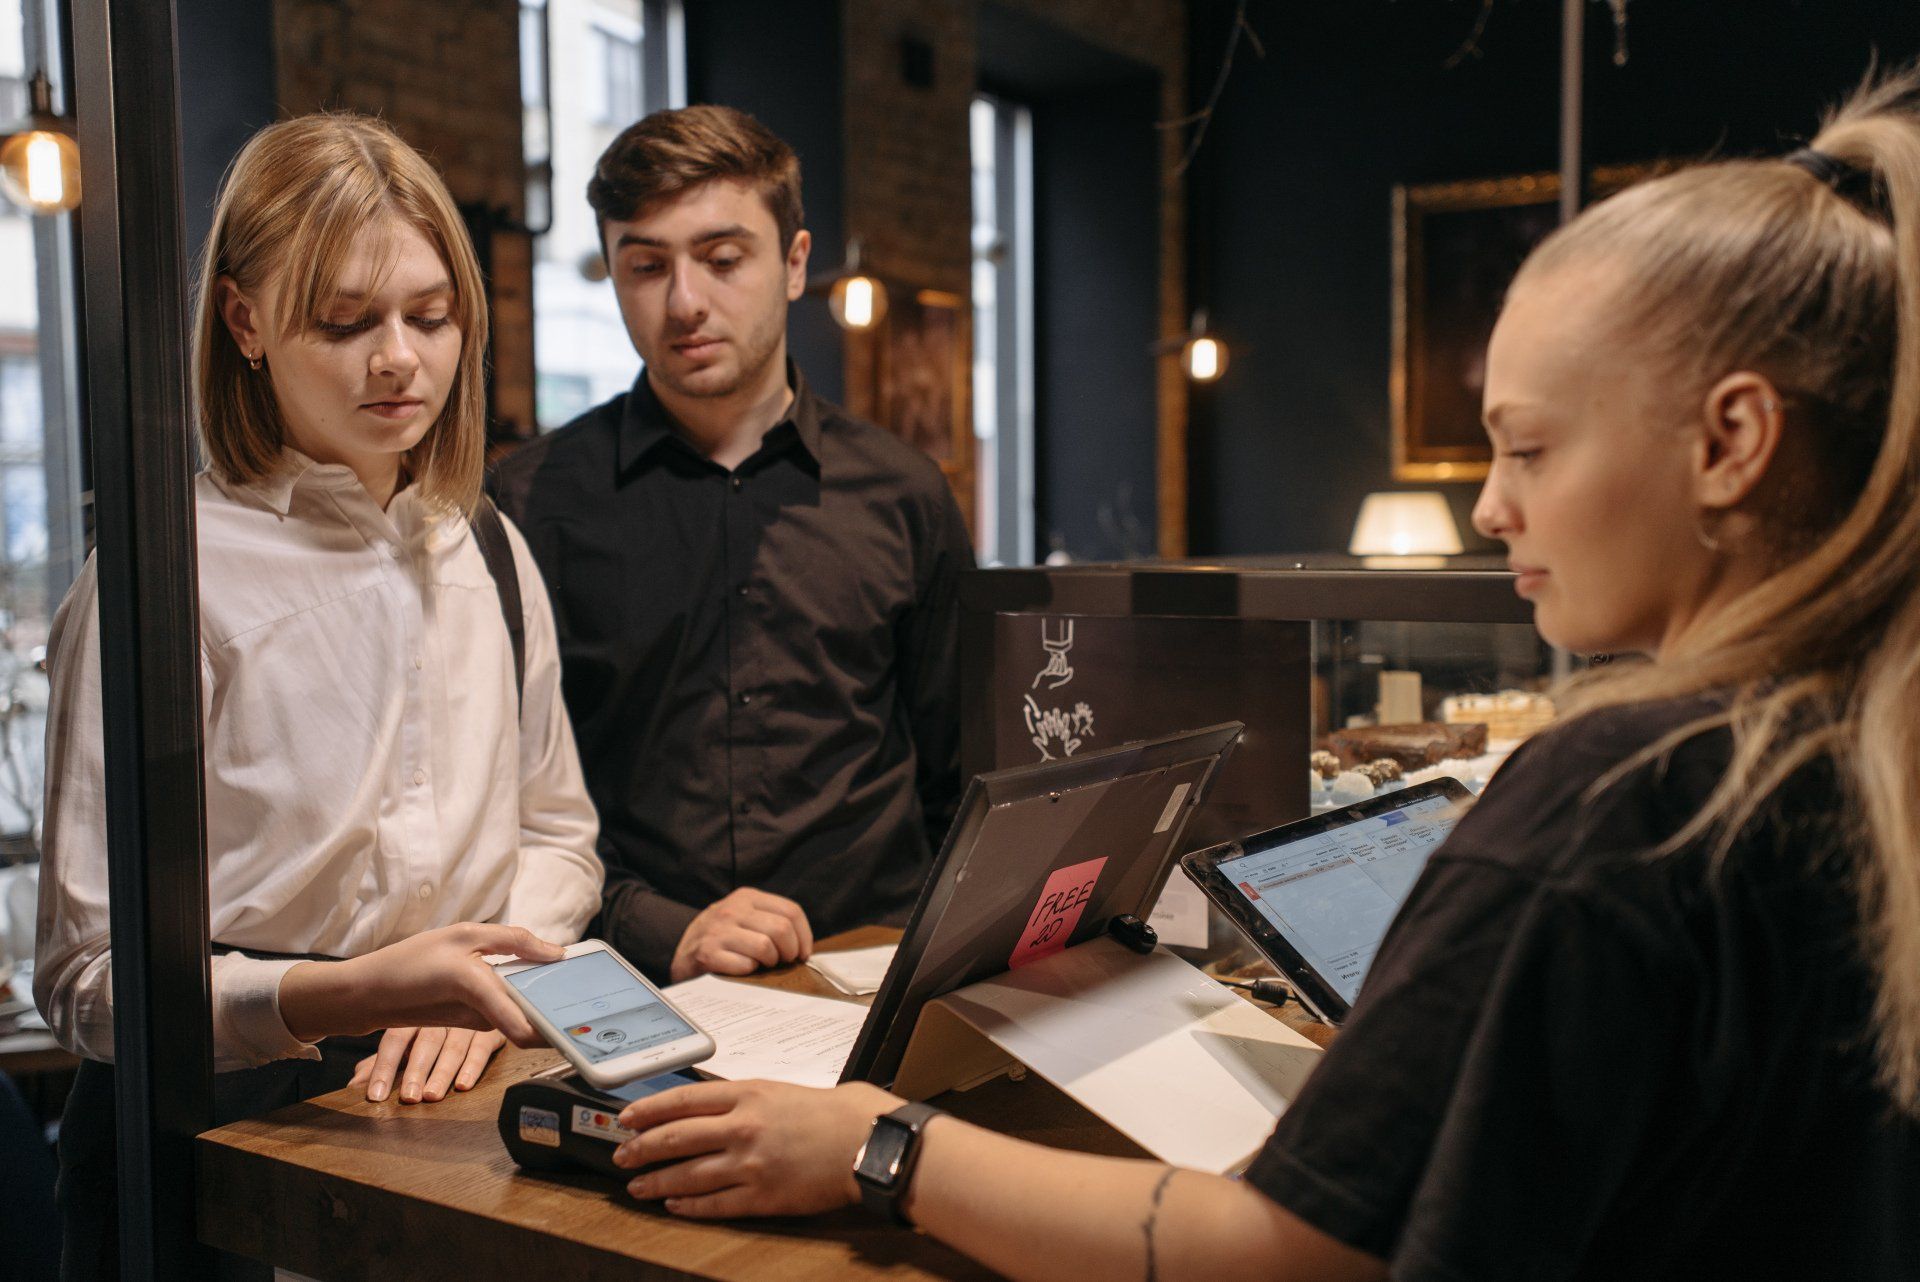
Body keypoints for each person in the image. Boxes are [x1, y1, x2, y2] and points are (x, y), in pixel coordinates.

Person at [596, 69, 1920, 1280]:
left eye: (1526, 448)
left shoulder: (1620, 799)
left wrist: (881, 1144)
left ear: (1732, 438)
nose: (1491, 513)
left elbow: (1288, 1248)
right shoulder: (1854, 740)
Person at [36, 114, 601, 1279]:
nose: (398, 359)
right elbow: (85, 981)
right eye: (346, 321)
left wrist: (475, 980)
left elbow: (560, 834)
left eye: (431, 316)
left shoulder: (484, 542)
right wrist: (346, 994)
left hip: (461, 1091)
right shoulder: (162, 575)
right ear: (243, 320)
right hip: (227, 1130)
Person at [492, 105, 974, 984]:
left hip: (879, 966)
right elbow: (501, 808)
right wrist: (656, 928)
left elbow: (958, 774)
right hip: (632, 981)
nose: (684, 302)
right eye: (645, 265)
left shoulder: (905, 493)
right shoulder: (526, 503)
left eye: (722, 260)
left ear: (793, 264)